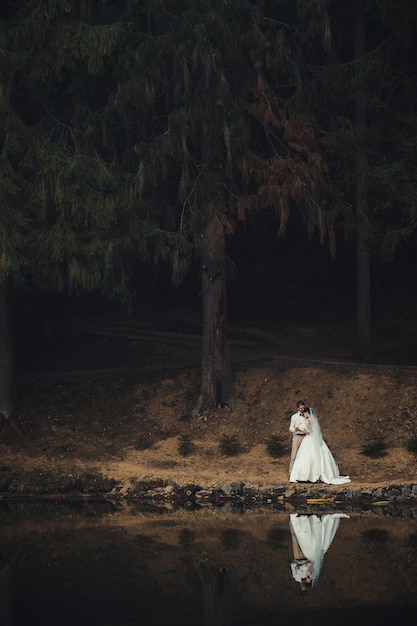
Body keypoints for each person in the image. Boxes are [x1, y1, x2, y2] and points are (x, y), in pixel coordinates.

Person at [289, 405, 351, 484]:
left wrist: (300, 429)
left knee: (308, 456)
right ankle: (308, 475)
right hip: (309, 438)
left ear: (307, 413)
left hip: (309, 438)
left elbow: (309, 432)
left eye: (304, 413)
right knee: (307, 456)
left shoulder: (310, 420)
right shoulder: (311, 419)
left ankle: (309, 475)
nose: (304, 415)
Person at [288, 400, 310, 476]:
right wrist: (295, 429)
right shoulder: (294, 417)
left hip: (305, 437)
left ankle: (302, 473)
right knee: (294, 455)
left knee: (304, 455)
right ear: (297, 408)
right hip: (297, 436)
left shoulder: (306, 416)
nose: (302, 409)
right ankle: (291, 473)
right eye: (301, 408)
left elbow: (309, 426)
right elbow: (290, 427)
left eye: (303, 408)